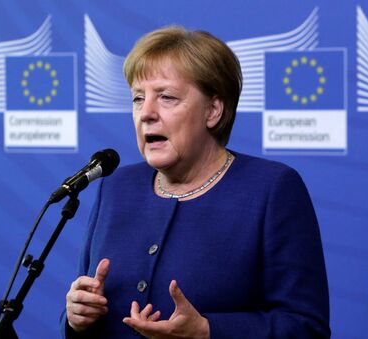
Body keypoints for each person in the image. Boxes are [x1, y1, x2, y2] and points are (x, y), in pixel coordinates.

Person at [62, 26, 330, 338]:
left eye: (166, 97)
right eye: (137, 98)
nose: (145, 113)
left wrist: (206, 331)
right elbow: (86, 305)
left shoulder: (272, 189)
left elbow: (306, 328)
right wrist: (77, 318)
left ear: (213, 110)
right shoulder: (117, 187)